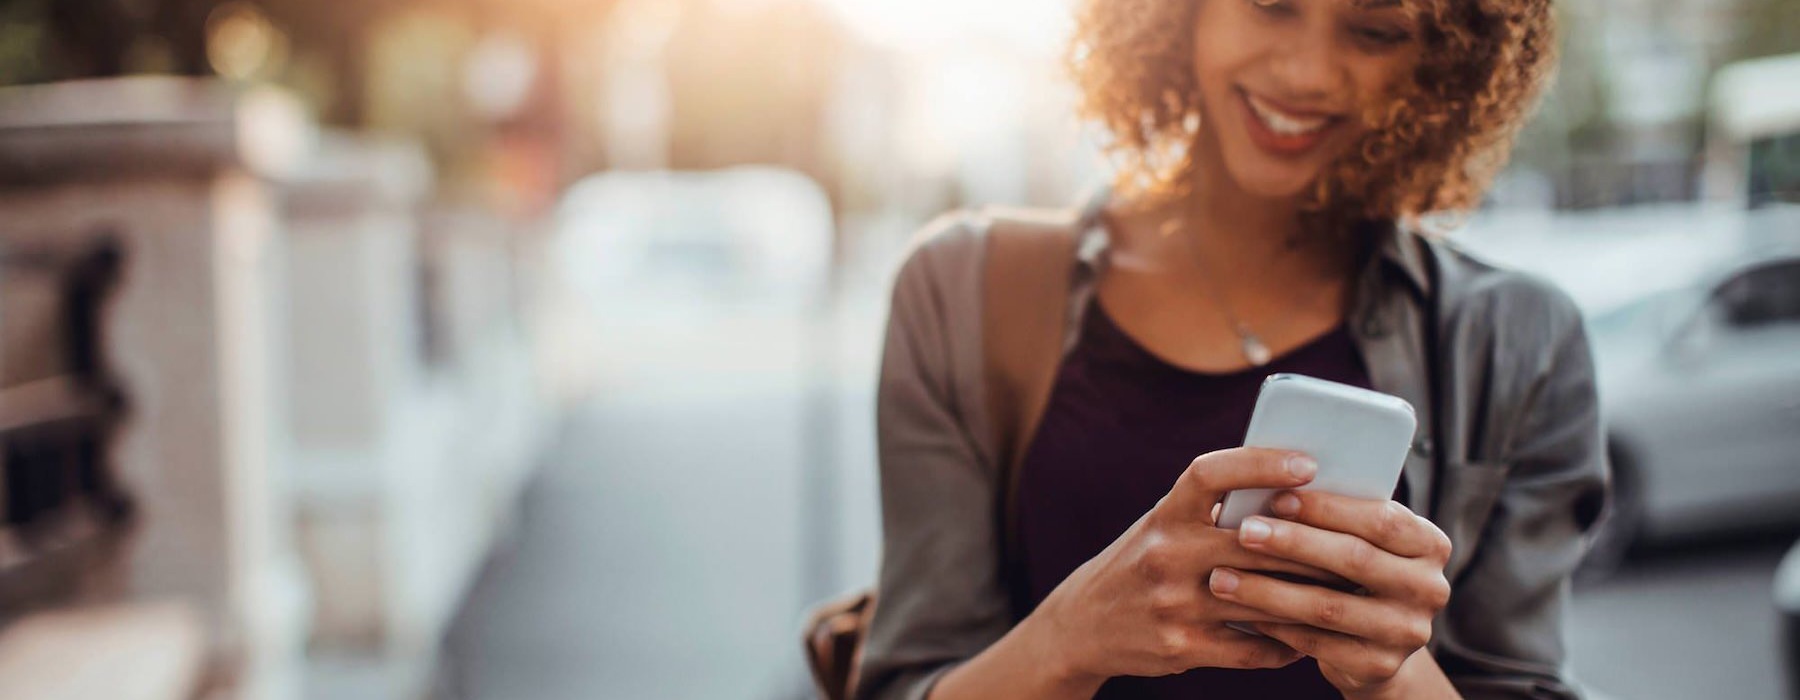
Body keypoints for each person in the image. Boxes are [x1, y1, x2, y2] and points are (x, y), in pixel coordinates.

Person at [856, 0, 1609, 699]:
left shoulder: (1521, 341)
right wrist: (1073, 636)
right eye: (1270, 1)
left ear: (1446, 59)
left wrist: (1394, 671)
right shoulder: (963, 291)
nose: (1306, 73)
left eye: (1376, 31)